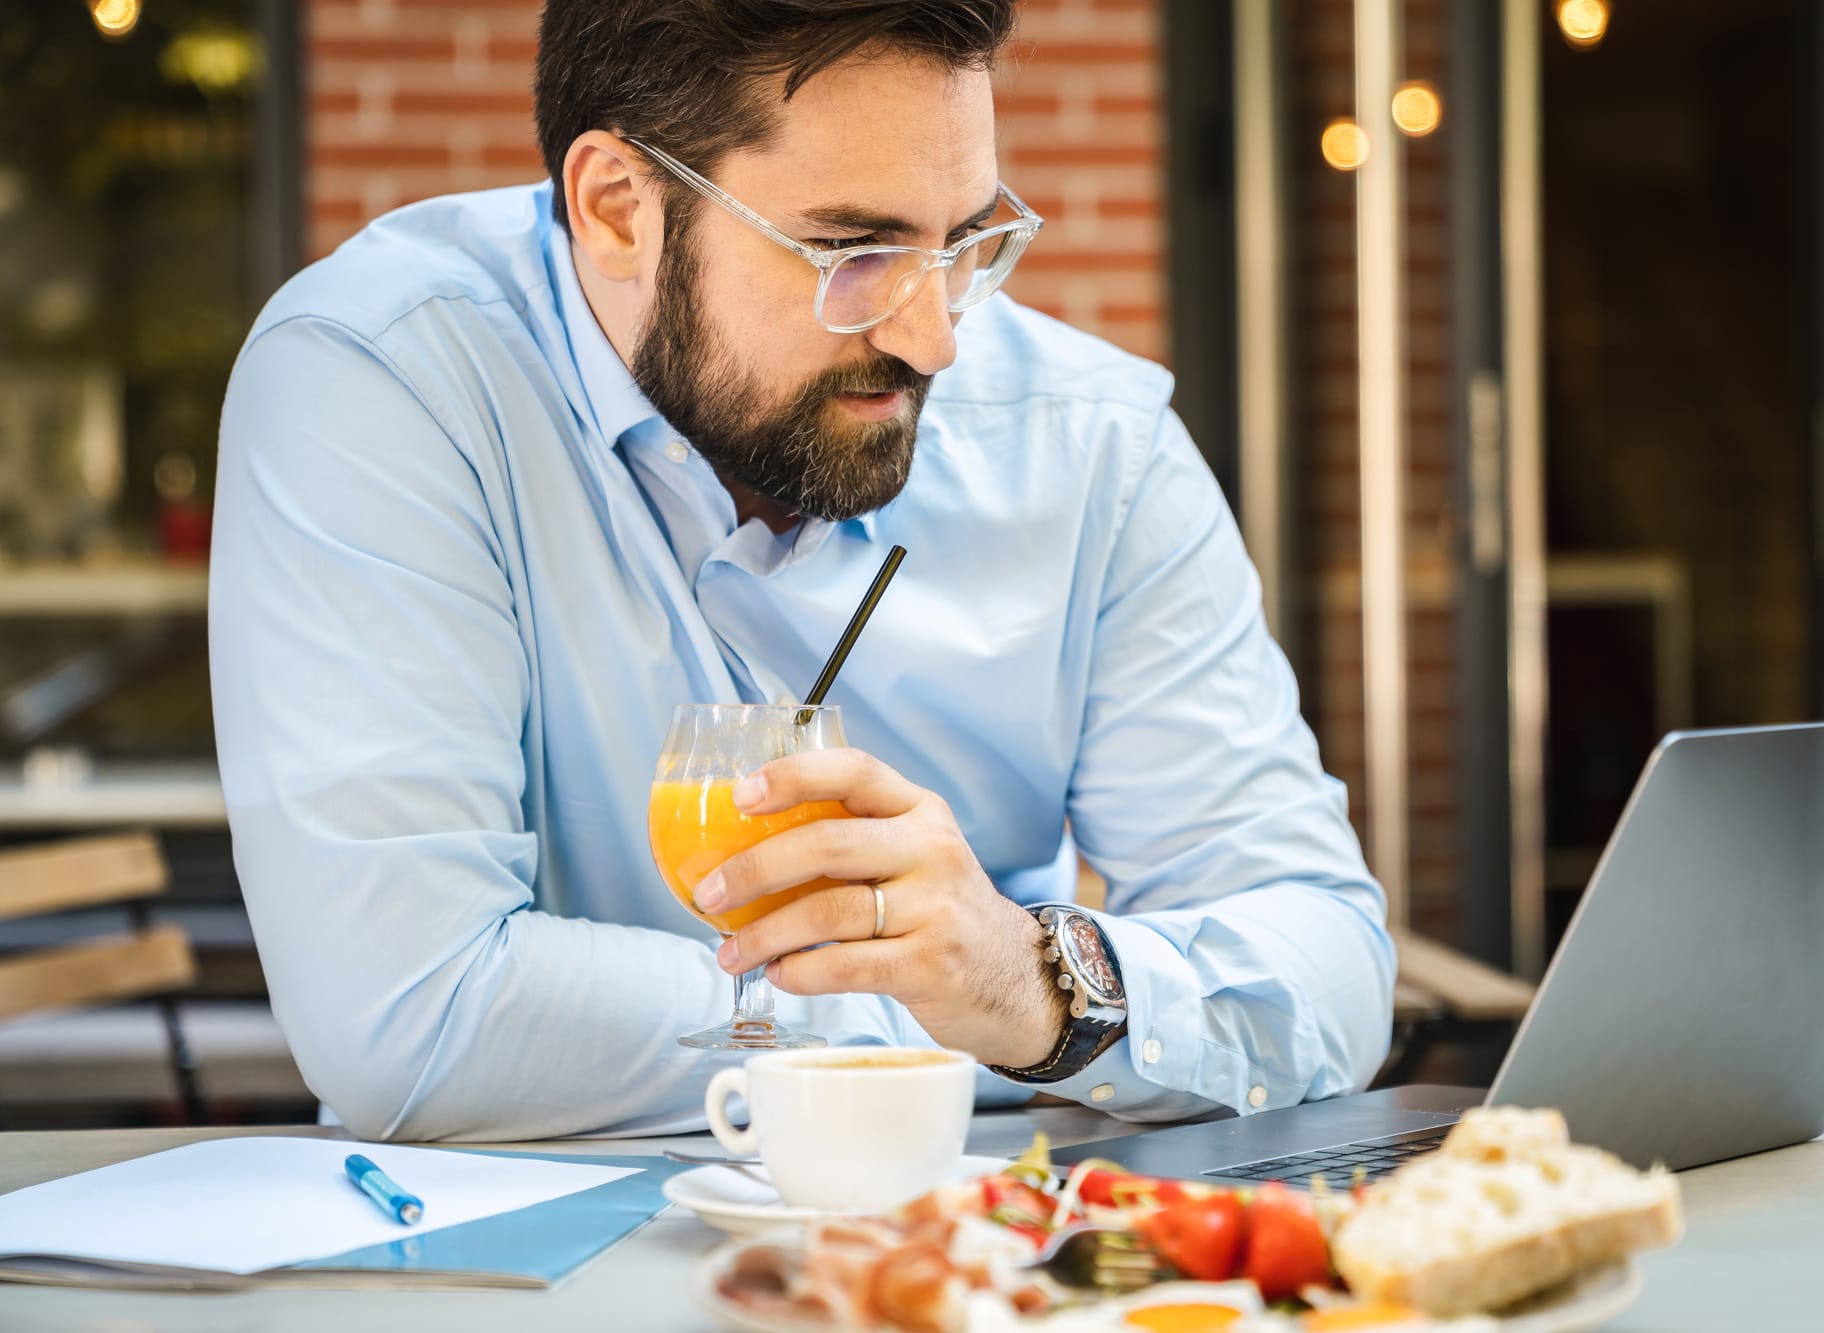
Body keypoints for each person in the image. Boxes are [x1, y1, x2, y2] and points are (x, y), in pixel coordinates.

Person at [209, 0, 1394, 1141]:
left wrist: (1035, 983)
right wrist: (952, 1002)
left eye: (966, 241)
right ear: (618, 206)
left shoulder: (1090, 444)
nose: (934, 337)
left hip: (981, 1243)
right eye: (853, 248)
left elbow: (1331, 970)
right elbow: (413, 1018)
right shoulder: (384, 379)